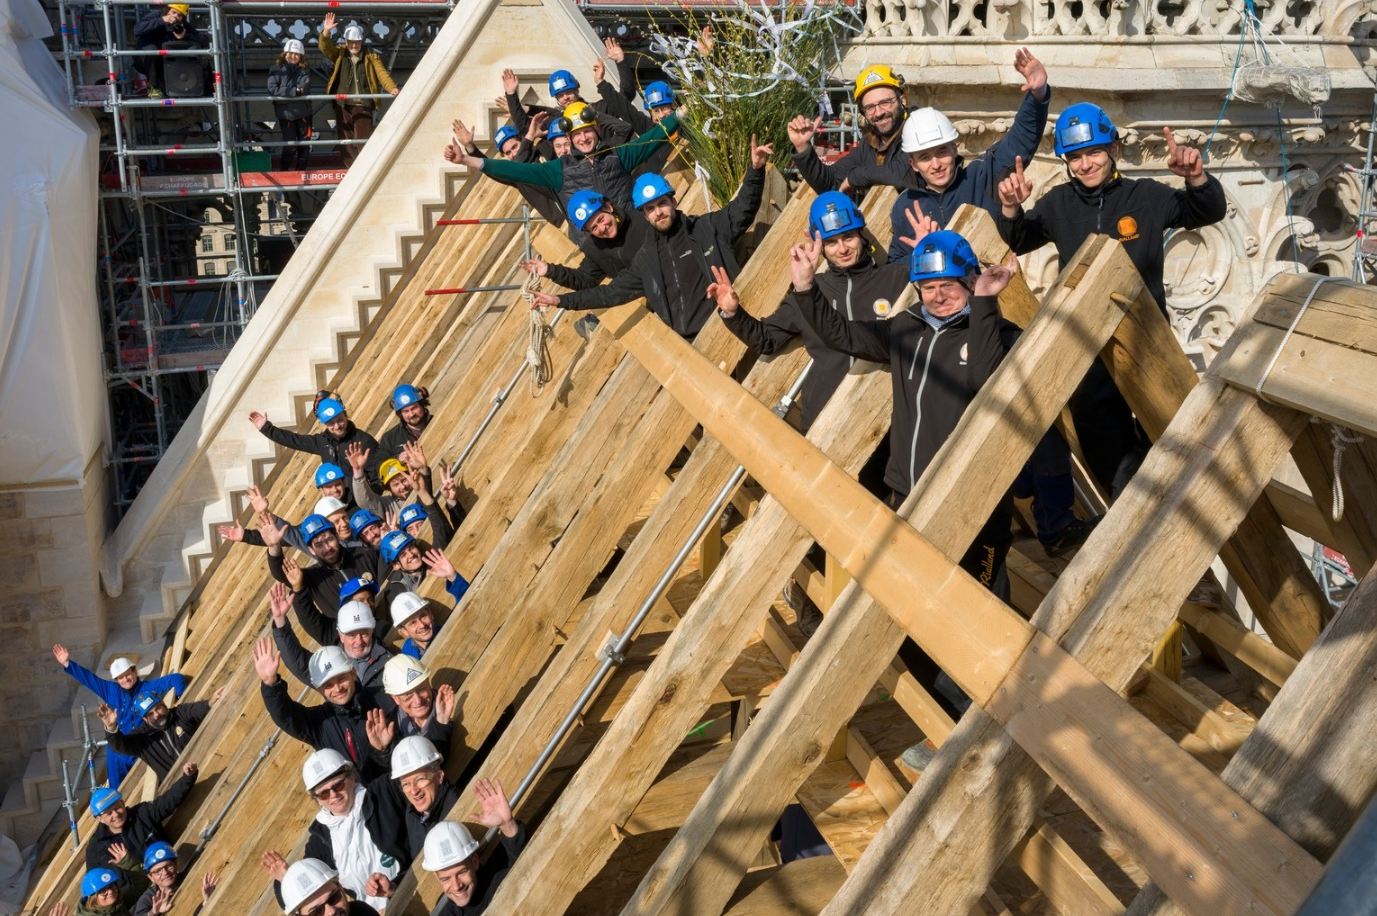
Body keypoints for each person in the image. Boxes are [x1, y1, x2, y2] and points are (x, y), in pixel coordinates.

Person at [996, 107, 1227, 499]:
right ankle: (1129, 512)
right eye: (1074, 157)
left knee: (1170, 439)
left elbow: (1206, 210)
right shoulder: (1058, 204)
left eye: (1094, 153)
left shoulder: (1146, 196)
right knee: (1107, 454)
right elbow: (1020, 238)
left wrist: (1196, 178)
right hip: (1090, 349)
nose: (1085, 164)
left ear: (1114, 148)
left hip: (1148, 341)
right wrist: (1010, 208)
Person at [842, 48, 1051, 266]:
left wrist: (1038, 96)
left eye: (941, 152)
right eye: (924, 157)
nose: (935, 165)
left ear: (954, 148)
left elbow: (1020, 138)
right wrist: (922, 253)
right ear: (912, 164)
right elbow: (895, 266)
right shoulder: (905, 205)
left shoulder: (982, 175)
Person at [529, 151, 770, 340]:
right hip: (688, 342)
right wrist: (560, 300)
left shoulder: (705, 229)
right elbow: (609, 293)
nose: (658, 213)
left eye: (661, 204)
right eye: (650, 209)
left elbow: (742, 210)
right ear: (644, 215)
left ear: (673, 201)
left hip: (730, 324)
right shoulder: (645, 259)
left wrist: (756, 170)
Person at [448, 101, 678, 217]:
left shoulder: (619, 155)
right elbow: (514, 171)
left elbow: (655, 135)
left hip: (632, 230)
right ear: (569, 137)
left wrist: (683, 111)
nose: (584, 138)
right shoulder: (559, 169)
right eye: (577, 135)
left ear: (597, 130)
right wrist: (467, 159)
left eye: (588, 131)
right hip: (597, 243)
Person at [262, 749, 407, 911]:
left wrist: (385, 751)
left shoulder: (383, 793)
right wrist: (287, 879)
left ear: (351, 776)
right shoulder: (320, 841)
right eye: (324, 793)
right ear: (317, 799)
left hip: (410, 888)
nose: (333, 795)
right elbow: (303, 903)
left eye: (338, 785)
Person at [254, 637, 395, 781]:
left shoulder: (384, 696)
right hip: (357, 801)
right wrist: (270, 684)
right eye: (328, 685)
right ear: (320, 690)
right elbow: (285, 716)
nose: (338, 688)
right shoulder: (319, 722)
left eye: (341, 679)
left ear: (353, 673)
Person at [53, 647, 188, 788]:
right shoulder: (111, 690)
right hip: (117, 751)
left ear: (135, 671)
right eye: (120, 677)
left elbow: (176, 678)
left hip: (139, 746)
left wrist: (180, 700)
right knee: (116, 790)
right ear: (116, 679)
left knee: (143, 786)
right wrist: (67, 663)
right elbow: (89, 679)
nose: (125, 679)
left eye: (127, 674)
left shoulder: (149, 687)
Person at [787, 65, 911, 195]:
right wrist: (803, 147)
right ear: (863, 111)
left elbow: (901, 174)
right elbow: (830, 184)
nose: (879, 113)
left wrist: (855, 177)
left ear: (902, 100)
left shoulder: (920, 128)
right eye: (870, 107)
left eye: (885, 102)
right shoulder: (869, 144)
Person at [421, 779, 526, 916]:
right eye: (446, 879)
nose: (456, 886)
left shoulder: (496, 887)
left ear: (475, 862)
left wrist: (507, 824)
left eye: (462, 872)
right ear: (436, 877)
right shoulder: (444, 910)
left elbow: (525, 867)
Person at [271, 584, 393, 695]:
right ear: (341, 635)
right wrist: (280, 621)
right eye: (351, 635)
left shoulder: (390, 661)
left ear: (372, 631)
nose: (359, 641)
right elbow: (298, 662)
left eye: (364, 634)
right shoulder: (329, 662)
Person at [520, 188, 650, 292]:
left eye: (601, 219)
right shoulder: (596, 249)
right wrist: (550, 271)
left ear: (609, 207)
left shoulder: (643, 220)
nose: (602, 228)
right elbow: (584, 279)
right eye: (594, 228)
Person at [263, 511, 382, 619]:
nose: (327, 548)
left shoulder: (365, 554)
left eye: (329, 539)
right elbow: (280, 573)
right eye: (319, 545)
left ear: (337, 536)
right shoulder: (312, 578)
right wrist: (274, 547)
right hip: (354, 638)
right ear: (311, 550)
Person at [85, 763, 199, 872]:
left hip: (169, 872)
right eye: (109, 813)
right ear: (99, 819)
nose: (115, 814)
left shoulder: (142, 814)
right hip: (141, 891)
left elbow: (169, 801)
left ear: (123, 803)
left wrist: (188, 778)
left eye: (117, 808)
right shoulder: (96, 848)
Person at [318, 13, 398, 166]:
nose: (354, 46)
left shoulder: (371, 56)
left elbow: (382, 74)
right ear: (346, 42)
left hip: (363, 104)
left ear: (361, 42)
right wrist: (326, 32)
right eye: (351, 43)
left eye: (357, 43)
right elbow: (325, 48)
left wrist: (392, 88)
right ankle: (351, 170)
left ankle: (364, 168)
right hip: (343, 105)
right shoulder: (340, 54)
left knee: (363, 139)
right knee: (346, 141)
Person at [99, 686, 223, 781]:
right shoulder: (142, 738)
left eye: (158, 708)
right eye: (150, 714)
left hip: (209, 767)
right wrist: (111, 727)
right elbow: (119, 746)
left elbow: (197, 709)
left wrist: (211, 702)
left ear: (164, 704)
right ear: (145, 719)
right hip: (180, 785)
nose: (157, 714)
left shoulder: (180, 714)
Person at [248, 395, 380, 477]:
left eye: (340, 420)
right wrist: (267, 428)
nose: (337, 426)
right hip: (338, 501)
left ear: (346, 416)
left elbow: (377, 476)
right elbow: (294, 440)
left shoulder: (363, 441)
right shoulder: (323, 442)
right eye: (331, 423)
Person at [379, 737, 459, 862]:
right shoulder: (411, 815)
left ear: (439, 777)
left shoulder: (457, 807)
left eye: (420, 779)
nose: (414, 790)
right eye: (406, 784)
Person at [132, 4, 207, 97]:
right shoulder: (155, 16)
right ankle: (153, 86)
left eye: (179, 15)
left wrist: (185, 36)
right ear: (167, 11)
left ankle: (184, 88)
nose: (175, 16)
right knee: (151, 49)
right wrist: (162, 20)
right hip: (146, 61)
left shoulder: (182, 25)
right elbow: (137, 30)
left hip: (167, 65)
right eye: (173, 12)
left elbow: (204, 40)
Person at [382, 655, 454, 752]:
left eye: (421, 689)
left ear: (428, 683)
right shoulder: (390, 732)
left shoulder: (452, 708)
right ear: (395, 698)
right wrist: (381, 751)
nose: (418, 701)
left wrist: (441, 723)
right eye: (408, 695)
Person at [378, 531, 469, 609]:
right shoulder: (392, 589)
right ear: (396, 564)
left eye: (411, 547)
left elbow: (440, 530)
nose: (411, 555)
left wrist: (453, 577)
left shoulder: (434, 563)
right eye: (403, 555)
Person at [268, 858, 379, 916]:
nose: (331, 911)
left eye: (334, 898)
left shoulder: (361, 911)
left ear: (341, 888)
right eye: (317, 912)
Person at [132, 843, 218, 916]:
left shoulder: (190, 877)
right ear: (151, 877)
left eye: (168, 866)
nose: (165, 872)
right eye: (158, 871)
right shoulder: (148, 899)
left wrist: (208, 901)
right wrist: (153, 913)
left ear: (176, 864)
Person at [268, 39, 313, 171]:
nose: (293, 56)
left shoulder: (305, 70)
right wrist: (295, 92)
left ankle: (300, 172)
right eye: (291, 53)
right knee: (290, 146)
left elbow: (304, 89)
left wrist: (283, 96)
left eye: (297, 54)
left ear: (301, 56)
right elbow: (272, 89)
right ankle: (284, 171)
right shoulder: (275, 70)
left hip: (303, 114)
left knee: (304, 145)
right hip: (286, 115)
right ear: (285, 54)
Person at [51, 868, 143, 916]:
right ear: (92, 897)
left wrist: (126, 861)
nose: (110, 891)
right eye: (102, 890)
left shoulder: (118, 904)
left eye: (111, 885)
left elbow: (141, 883)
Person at [392, 591, 439, 658]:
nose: (422, 625)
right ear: (404, 631)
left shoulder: (449, 633)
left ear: (430, 614)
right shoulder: (407, 653)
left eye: (423, 616)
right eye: (413, 623)